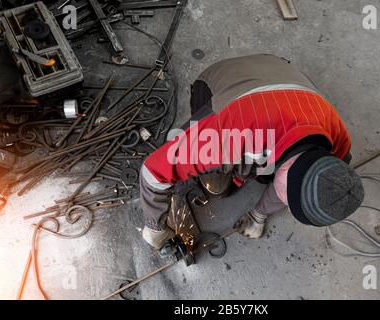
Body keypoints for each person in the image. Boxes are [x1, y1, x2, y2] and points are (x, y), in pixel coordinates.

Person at [140, 54, 364, 249]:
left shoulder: (339, 142)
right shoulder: (230, 137)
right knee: (217, 187)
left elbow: (296, 182)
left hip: (276, 67)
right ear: (285, 175)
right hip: (220, 81)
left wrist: (258, 215)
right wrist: (154, 226)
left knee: (254, 172)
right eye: (289, 200)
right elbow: (153, 171)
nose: (285, 203)